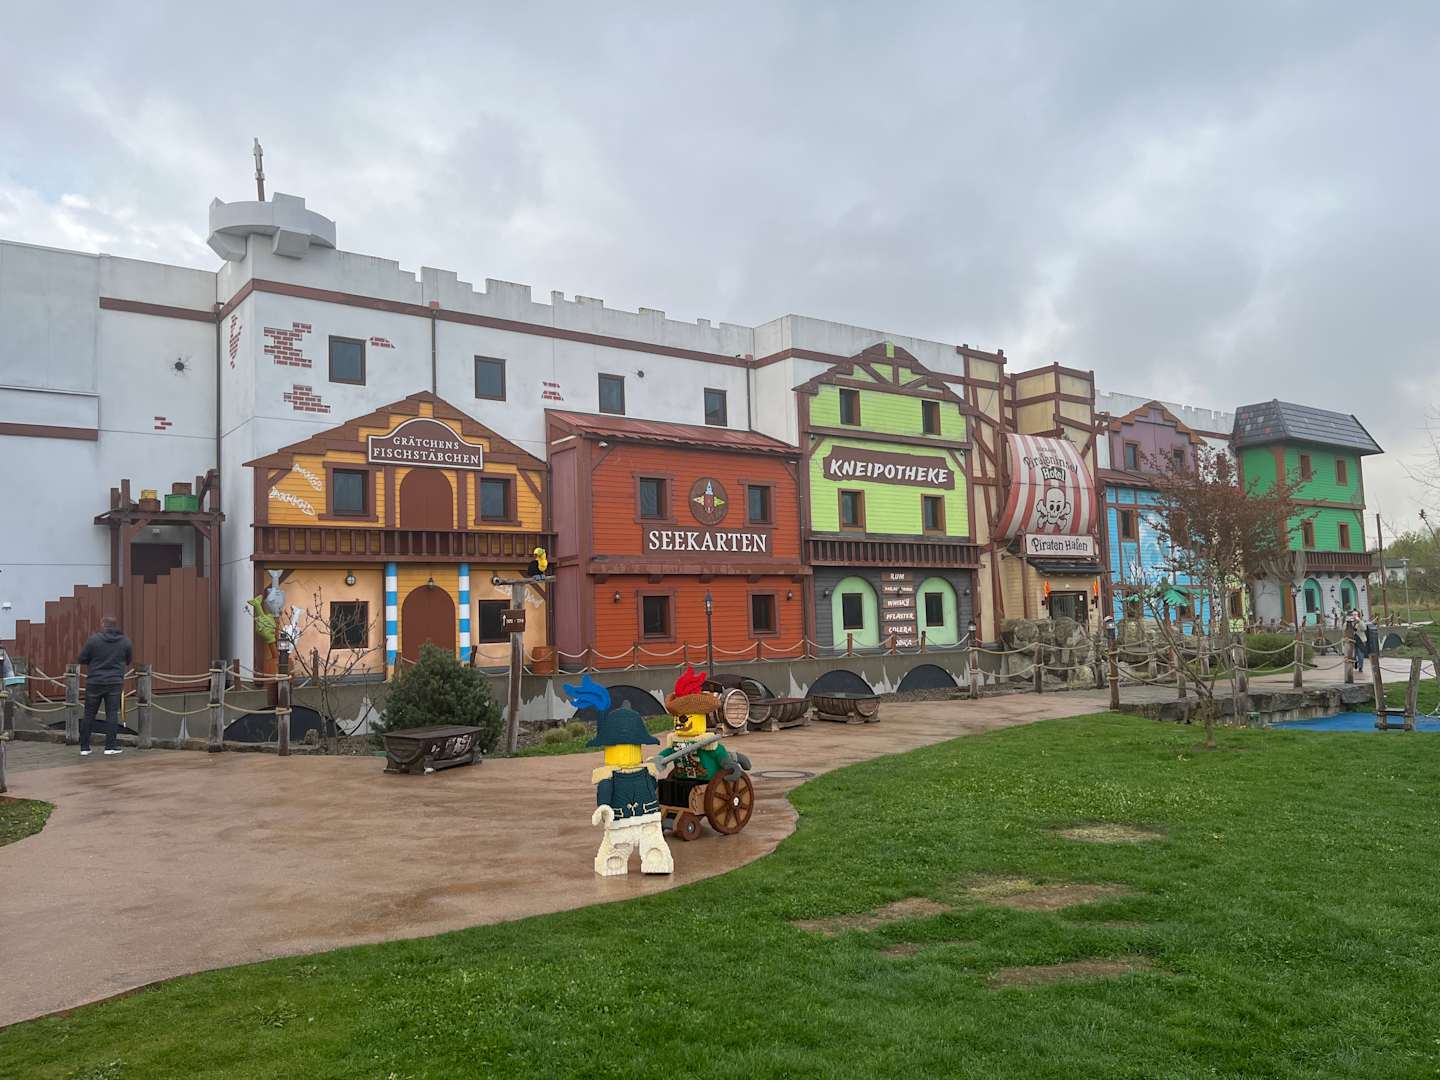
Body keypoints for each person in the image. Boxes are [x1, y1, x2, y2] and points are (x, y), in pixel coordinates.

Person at [76, 615, 132, 756]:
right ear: (116, 625)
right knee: (112, 714)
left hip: (94, 681)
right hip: (114, 681)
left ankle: (84, 747)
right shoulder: (125, 641)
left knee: (89, 714)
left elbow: (81, 658)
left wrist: (94, 662)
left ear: (103, 625)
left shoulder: (93, 640)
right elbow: (128, 660)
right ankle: (110, 746)